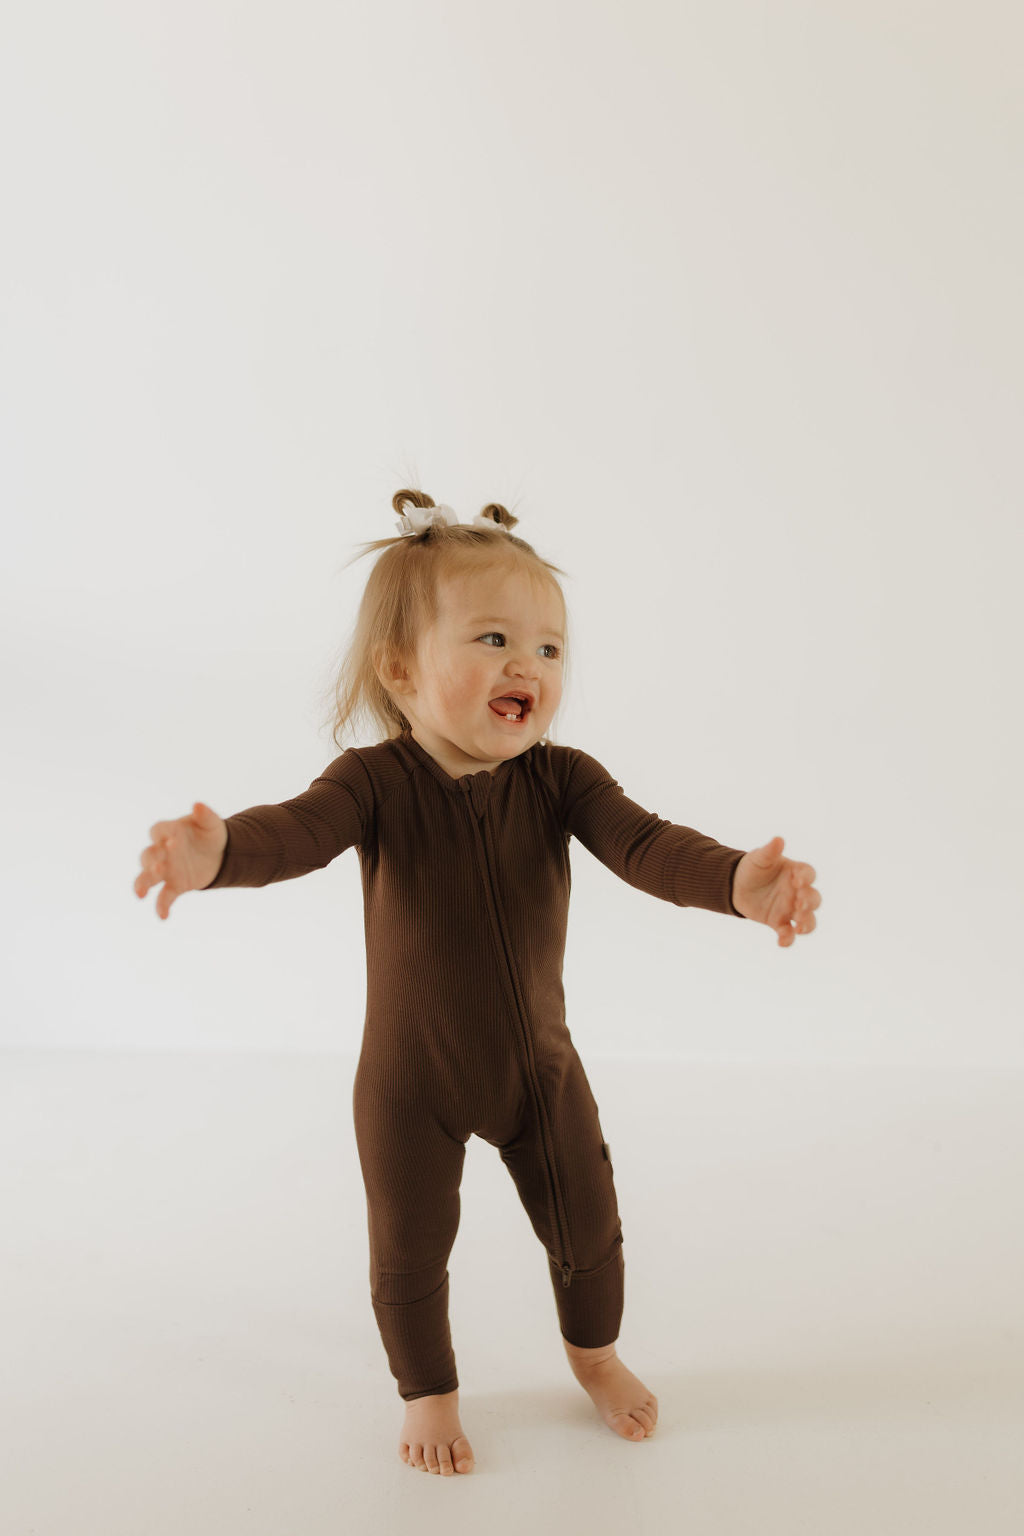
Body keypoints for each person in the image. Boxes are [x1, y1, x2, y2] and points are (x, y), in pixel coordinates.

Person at [134, 489, 821, 1477]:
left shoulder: (564, 778)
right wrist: (217, 855)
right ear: (401, 669)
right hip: (411, 1083)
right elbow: (291, 834)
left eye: (547, 648)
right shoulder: (371, 783)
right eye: (493, 638)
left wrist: (735, 882)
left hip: (540, 1071)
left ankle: (594, 1355)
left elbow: (645, 845)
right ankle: (429, 1392)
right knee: (410, 1255)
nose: (526, 666)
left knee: (591, 1229)